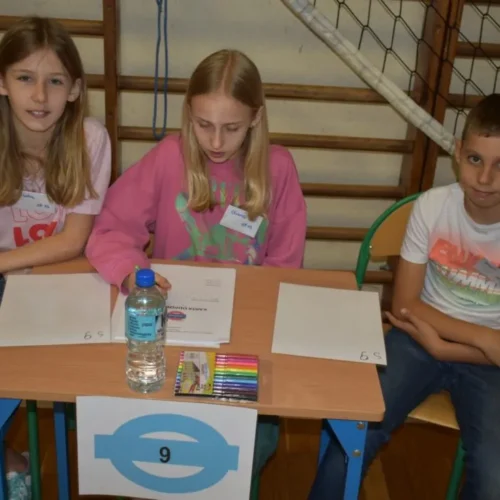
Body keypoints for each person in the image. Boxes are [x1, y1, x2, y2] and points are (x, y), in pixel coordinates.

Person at [85, 48, 307, 478]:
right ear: (188, 113)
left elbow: (284, 267)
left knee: (249, 444)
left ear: (256, 119)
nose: (216, 142)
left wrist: (254, 315)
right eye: (204, 125)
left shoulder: (278, 168)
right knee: (153, 428)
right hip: (176, 327)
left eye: (231, 128)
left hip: (244, 331)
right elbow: (110, 230)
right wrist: (131, 271)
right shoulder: (170, 157)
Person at [308, 93, 500, 500]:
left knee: (494, 476)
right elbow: (405, 306)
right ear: (457, 153)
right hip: (419, 337)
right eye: (476, 159)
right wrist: (484, 337)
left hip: (485, 364)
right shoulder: (432, 207)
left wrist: (449, 347)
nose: (485, 179)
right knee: (352, 435)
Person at [0, 16, 111, 499]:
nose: (40, 96)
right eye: (25, 78)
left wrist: (11, 265)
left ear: (75, 89)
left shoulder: (89, 139)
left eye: (55, 81)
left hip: (59, 276)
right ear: (2, 82)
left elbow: (73, 241)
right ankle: (11, 459)